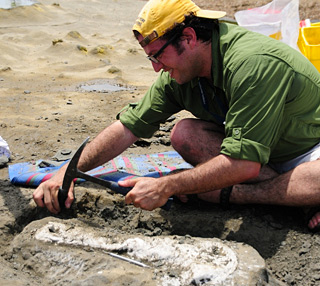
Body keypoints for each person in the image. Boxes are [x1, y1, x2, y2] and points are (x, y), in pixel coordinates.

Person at [33, 0, 320, 231]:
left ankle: (248, 194)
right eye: (150, 58)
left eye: (157, 56)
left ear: (189, 37)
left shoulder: (252, 64)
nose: (156, 68)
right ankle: (297, 196)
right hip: (263, 156)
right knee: (185, 134)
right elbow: (127, 127)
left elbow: (244, 164)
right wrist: (64, 173)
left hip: (309, 149)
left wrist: (167, 185)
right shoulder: (181, 73)